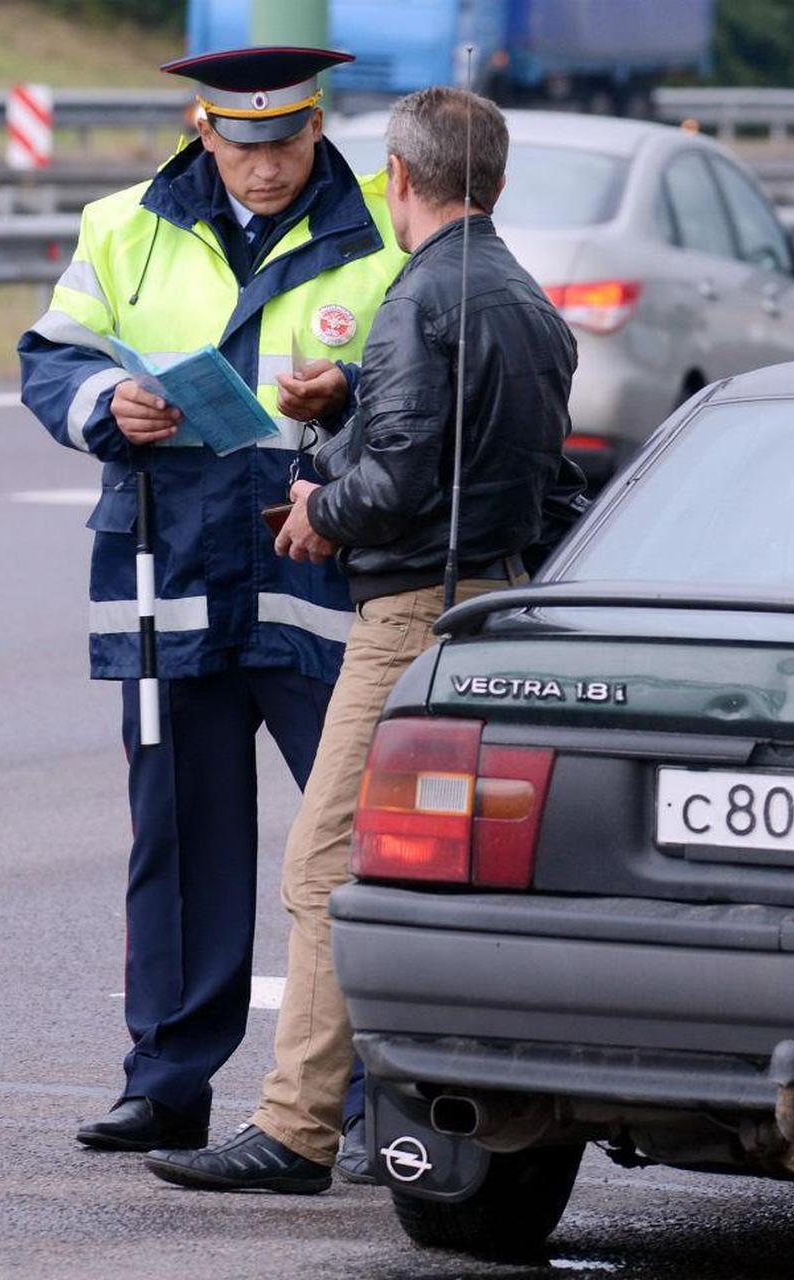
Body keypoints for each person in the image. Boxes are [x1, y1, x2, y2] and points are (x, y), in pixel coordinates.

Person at [144, 86, 581, 1195]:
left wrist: (315, 504)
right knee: (438, 873)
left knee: (325, 862)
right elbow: (511, 471)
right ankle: (409, 1105)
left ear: (397, 174)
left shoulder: (420, 295)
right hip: (496, 603)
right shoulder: (524, 301)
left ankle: (296, 1126)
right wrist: (348, 403)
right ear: (497, 179)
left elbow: (401, 477)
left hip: (405, 616)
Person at [18, 46, 407, 1159]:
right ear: (202, 131)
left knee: (356, 850)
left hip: (317, 576)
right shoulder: (123, 224)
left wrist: (349, 391)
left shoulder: (380, 227)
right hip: (169, 571)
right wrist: (107, 401)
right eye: (243, 147)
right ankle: (166, 1079)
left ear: (315, 128)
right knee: (178, 840)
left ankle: (373, 1091)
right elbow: (52, 356)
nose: (266, 169)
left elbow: (431, 373)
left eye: (285, 144)